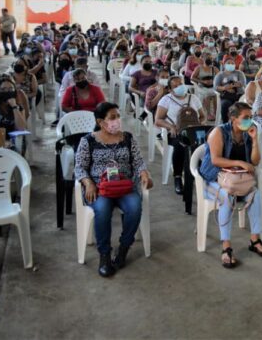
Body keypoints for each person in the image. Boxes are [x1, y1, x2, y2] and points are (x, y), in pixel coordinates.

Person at [74, 102, 153, 277]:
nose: (117, 121)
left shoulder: (127, 138)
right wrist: (88, 183)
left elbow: (138, 161)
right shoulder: (88, 141)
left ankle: (124, 247)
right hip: (100, 187)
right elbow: (79, 167)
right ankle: (104, 255)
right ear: (101, 122)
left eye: (118, 116)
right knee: (102, 209)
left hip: (124, 186)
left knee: (134, 207)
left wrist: (144, 173)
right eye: (112, 117)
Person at [198, 102, 262, 268]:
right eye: (246, 118)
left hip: (236, 180)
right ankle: (226, 246)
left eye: (251, 118)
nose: (250, 121)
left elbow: (255, 161)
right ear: (233, 118)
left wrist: (254, 141)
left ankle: (255, 239)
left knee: (255, 195)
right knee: (227, 198)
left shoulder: (248, 133)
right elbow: (216, 160)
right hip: (213, 179)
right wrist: (239, 162)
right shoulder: (219, 132)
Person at [154, 76, 206, 194]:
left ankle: (200, 174)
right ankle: (178, 176)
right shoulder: (166, 100)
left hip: (193, 131)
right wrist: (171, 127)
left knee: (205, 146)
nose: (180, 87)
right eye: (176, 86)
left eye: (181, 84)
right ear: (171, 90)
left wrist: (198, 124)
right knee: (180, 145)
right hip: (175, 132)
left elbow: (203, 116)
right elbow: (157, 120)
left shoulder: (193, 98)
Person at [213, 57, 247, 123]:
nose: (231, 65)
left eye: (232, 63)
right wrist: (224, 88)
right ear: (224, 64)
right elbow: (215, 87)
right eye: (228, 63)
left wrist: (231, 86)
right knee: (225, 104)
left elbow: (242, 83)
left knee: (241, 105)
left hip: (239, 95)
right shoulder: (220, 75)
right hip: (226, 96)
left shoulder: (239, 73)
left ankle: (241, 123)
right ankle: (225, 123)